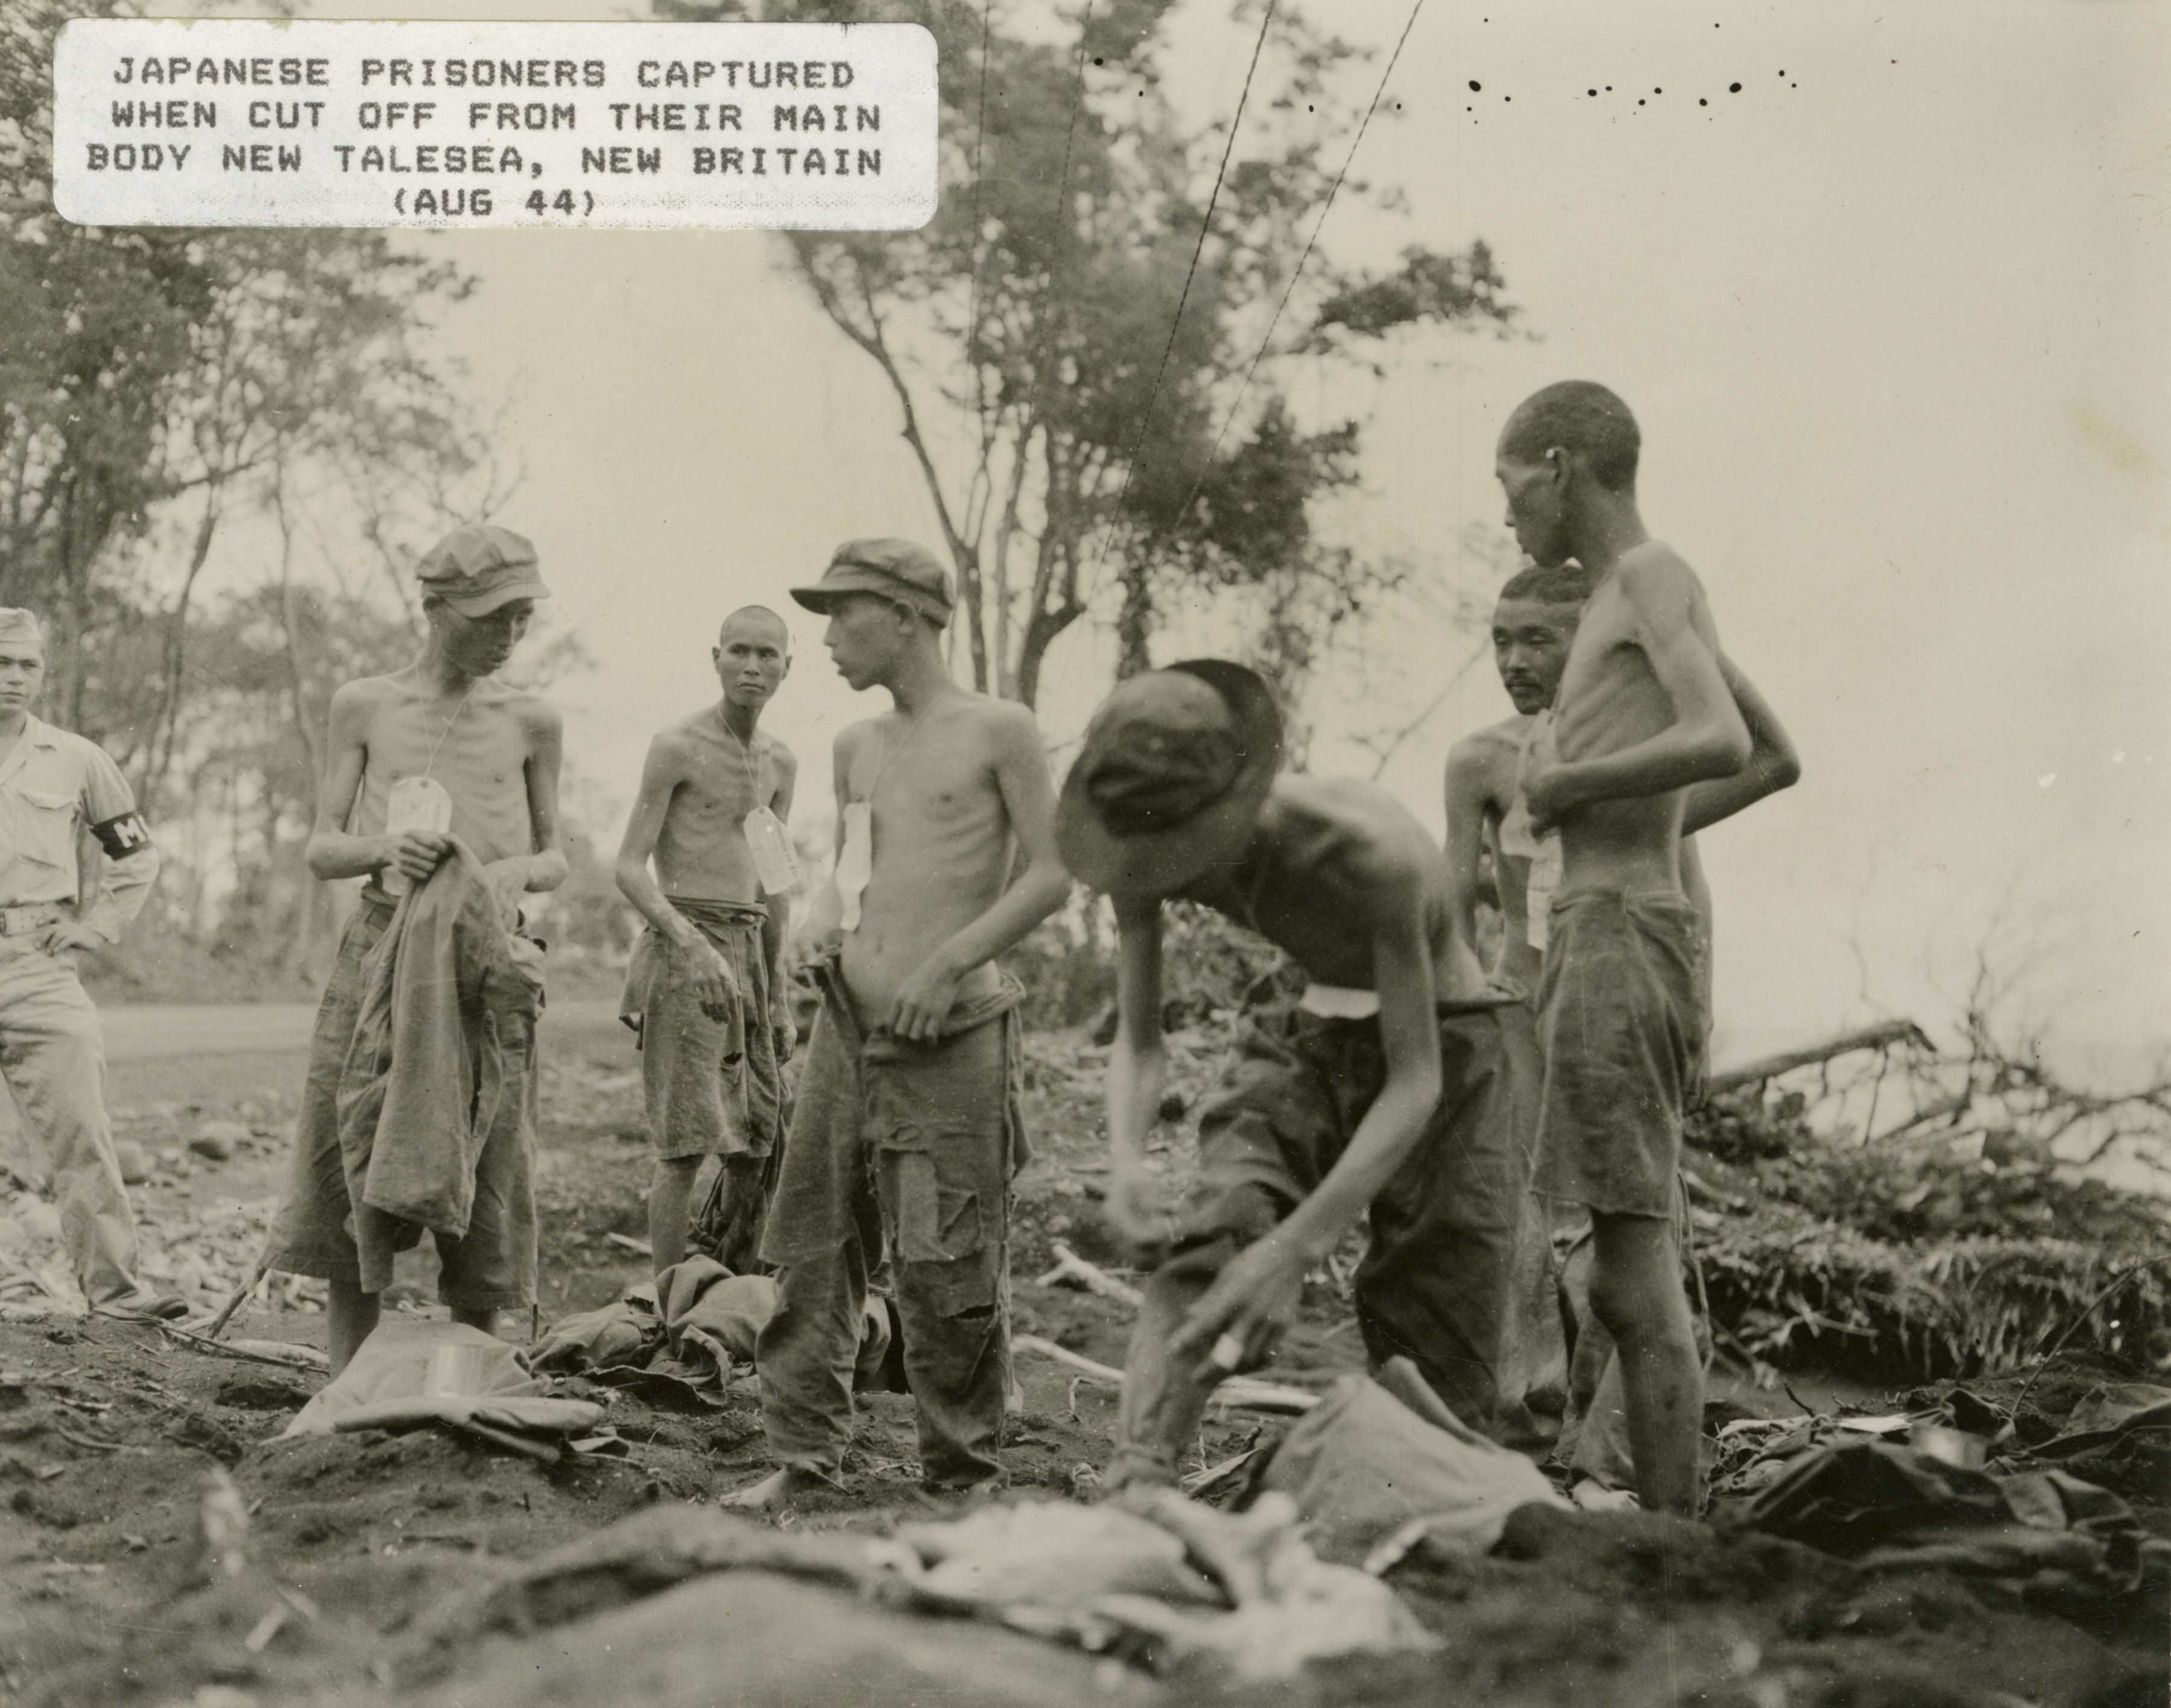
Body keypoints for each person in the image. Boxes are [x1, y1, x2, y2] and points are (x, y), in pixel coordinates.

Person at [1057, 660, 1535, 1495]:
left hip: (1446, 1047)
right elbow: (1139, 1040)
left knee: (1441, 1316)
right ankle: (1142, 1471)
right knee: (1223, 1220)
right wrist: (1128, 1163)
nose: (1177, 883)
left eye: (1190, 860)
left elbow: (1414, 1081)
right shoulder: (1135, 835)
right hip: (1303, 1022)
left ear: (1234, 812)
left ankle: (1426, 1492)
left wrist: (1295, 1249)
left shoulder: (1367, 855)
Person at [1494, 378, 1799, 1514]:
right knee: (1625, 1267)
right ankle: (1672, 1525)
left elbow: (1719, 736)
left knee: (1633, 1273)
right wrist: (1631, 816)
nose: (1509, 509)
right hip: (1606, 926)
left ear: (1560, 465)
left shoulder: (1652, 576)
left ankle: (1674, 1535)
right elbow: (1773, 756)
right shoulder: (1627, 594)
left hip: (1621, 935)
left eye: (1510, 480)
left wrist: (1573, 783)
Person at [724, 540, 1070, 1510]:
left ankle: (961, 1478)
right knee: (811, 1241)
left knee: (945, 1257)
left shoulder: (1000, 729)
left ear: (909, 616)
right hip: (846, 1030)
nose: (829, 639)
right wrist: (824, 936)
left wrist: (951, 962)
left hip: (950, 1033)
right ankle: (802, 1456)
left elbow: (1051, 874)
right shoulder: (855, 749)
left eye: (846, 615)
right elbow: (852, 873)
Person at [263, 524, 566, 1377]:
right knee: (349, 1138)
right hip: (379, 949)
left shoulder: (532, 720)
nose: (507, 637)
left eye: (521, 619)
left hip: (489, 962)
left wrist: (491, 876)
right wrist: (384, 851)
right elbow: (323, 846)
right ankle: (346, 1380)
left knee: (490, 1154)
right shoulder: (366, 704)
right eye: (489, 618)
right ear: (433, 608)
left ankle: (473, 1376)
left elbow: (557, 855)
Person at [0, 608, 182, 1322]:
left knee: (81, 1129)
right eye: (0, 662)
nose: (12, 677)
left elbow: (136, 853)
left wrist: (94, 929)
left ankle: (115, 1294)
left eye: (26, 665)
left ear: (45, 673)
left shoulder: (76, 758)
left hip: (37, 962)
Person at [615, 607, 798, 1279]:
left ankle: (729, 1292)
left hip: (750, 951)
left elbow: (777, 887)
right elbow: (628, 866)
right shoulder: (676, 746)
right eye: (739, 652)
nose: (753, 667)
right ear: (715, 657)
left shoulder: (781, 760)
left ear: (787, 665)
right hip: (684, 948)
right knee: (685, 1144)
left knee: (760, 1136)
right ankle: (669, 1312)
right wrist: (691, 945)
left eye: (768, 655)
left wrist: (780, 996)